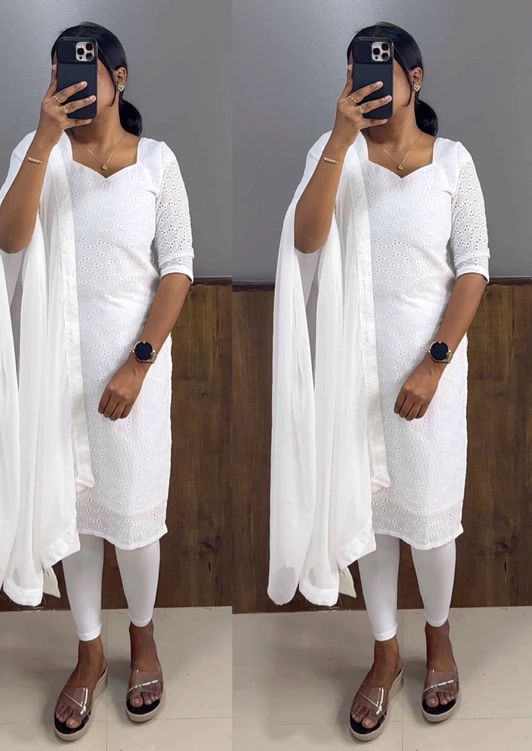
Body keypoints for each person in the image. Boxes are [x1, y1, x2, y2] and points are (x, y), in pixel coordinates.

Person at [269, 22, 489, 742]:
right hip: (352, 371)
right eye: (353, 70)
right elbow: (306, 239)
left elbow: (474, 269)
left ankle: (439, 638)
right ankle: (386, 652)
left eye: (378, 70)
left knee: (430, 518)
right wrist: (340, 137)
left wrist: (434, 361)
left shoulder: (453, 162)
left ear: (414, 79)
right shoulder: (333, 153)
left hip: (429, 371)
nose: (362, 81)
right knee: (368, 517)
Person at [0, 22, 193, 742]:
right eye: (56, 70)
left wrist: (139, 361)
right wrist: (43, 138)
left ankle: (143, 637)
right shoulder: (36, 153)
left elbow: (178, 269)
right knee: (72, 515)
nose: (66, 80)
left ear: (118, 79)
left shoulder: (157, 162)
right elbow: (10, 239)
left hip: (134, 369)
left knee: (134, 517)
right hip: (57, 370)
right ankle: (90, 651)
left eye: (82, 69)